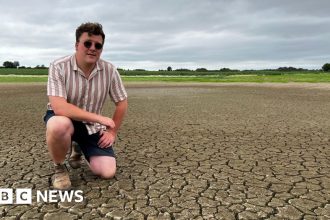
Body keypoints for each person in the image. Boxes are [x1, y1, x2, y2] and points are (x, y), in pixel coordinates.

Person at [43, 22, 128, 190]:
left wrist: (112, 131)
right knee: (58, 125)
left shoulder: (109, 70)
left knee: (107, 172)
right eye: (87, 43)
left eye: (98, 45)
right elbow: (60, 107)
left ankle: (78, 146)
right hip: (64, 119)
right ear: (76, 45)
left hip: (91, 128)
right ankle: (59, 167)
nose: (92, 48)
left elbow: (122, 102)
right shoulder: (59, 66)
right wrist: (100, 118)